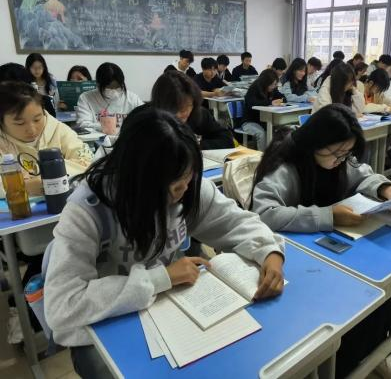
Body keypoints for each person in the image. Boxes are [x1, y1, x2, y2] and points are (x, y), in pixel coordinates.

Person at [44, 106, 285, 378]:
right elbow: (63, 306)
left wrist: (269, 252)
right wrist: (162, 278)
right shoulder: (88, 210)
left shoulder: (186, 183)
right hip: (109, 323)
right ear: (140, 183)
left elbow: (235, 221)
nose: (185, 191)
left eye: (188, 180)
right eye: (176, 188)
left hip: (167, 309)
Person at [250, 103, 391, 378]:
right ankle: (349, 363)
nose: (341, 159)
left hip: (333, 246)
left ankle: (379, 349)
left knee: (387, 284)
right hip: (296, 255)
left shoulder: (339, 157)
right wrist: (328, 216)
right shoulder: (285, 166)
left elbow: (363, 173)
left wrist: (386, 188)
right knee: (349, 300)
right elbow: (264, 213)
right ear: (315, 142)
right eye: (336, 153)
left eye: (346, 153)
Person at [0, 81, 94, 288]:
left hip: (69, 211)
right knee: (40, 258)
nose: (32, 129)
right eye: (19, 123)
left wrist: (47, 179)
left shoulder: (56, 128)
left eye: (37, 118)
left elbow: (87, 161)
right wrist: (23, 187)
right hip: (23, 219)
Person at [150, 71, 234, 150]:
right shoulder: (147, 119)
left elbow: (227, 139)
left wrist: (197, 145)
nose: (184, 112)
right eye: (177, 108)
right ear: (161, 105)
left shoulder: (199, 113)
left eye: (188, 105)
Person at [76, 63, 143, 132]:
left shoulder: (132, 98)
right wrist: (106, 126)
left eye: (117, 87)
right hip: (98, 137)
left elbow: (145, 118)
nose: (114, 90)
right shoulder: (86, 98)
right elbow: (83, 124)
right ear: (98, 84)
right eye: (109, 87)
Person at [242, 69, 285, 151]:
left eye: (275, 84)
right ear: (265, 82)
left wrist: (281, 99)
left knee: (279, 131)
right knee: (261, 133)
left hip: (264, 121)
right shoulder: (254, 89)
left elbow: (282, 97)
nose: (273, 87)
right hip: (250, 121)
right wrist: (270, 102)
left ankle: (273, 154)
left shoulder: (272, 89)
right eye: (272, 84)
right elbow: (252, 103)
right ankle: (262, 157)